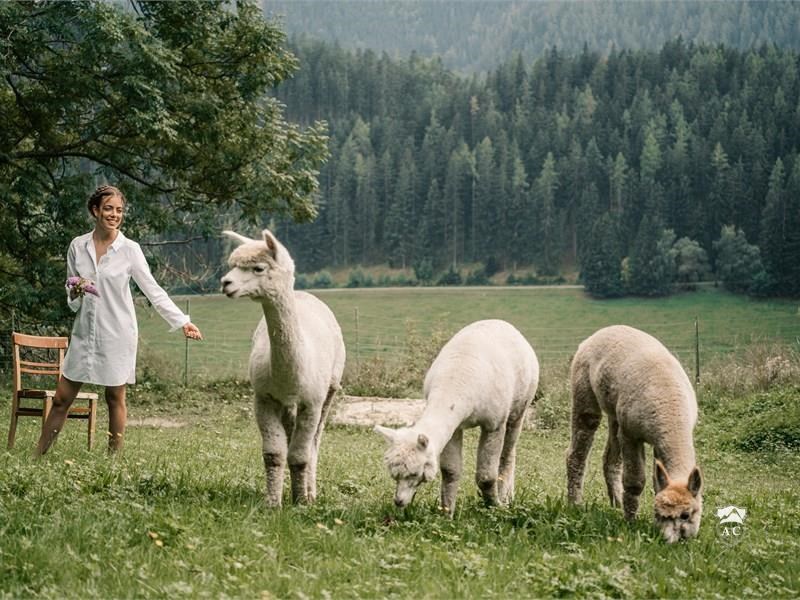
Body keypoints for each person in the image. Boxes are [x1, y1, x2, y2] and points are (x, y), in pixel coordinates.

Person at [34, 185, 203, 456]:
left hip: (117, 334)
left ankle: (113, 460)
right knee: (62, 398)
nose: (115, 214)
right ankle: (38, 456)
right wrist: (75, 290)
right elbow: (72, 298)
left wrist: (182, 321)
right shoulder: (78, 246)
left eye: (119, 210)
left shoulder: (129, 250)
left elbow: (153, 290)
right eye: (109, 208)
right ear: (95, 210)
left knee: (115, 397)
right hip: (84, 334)